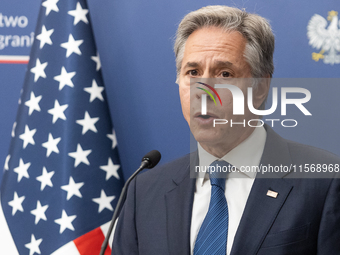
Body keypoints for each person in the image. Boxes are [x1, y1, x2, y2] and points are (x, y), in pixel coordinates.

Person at [112, 5, 340, 255]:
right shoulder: (143, 193)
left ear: (261, 88)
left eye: (224, 73)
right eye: (193, 72)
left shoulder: (325, 181)